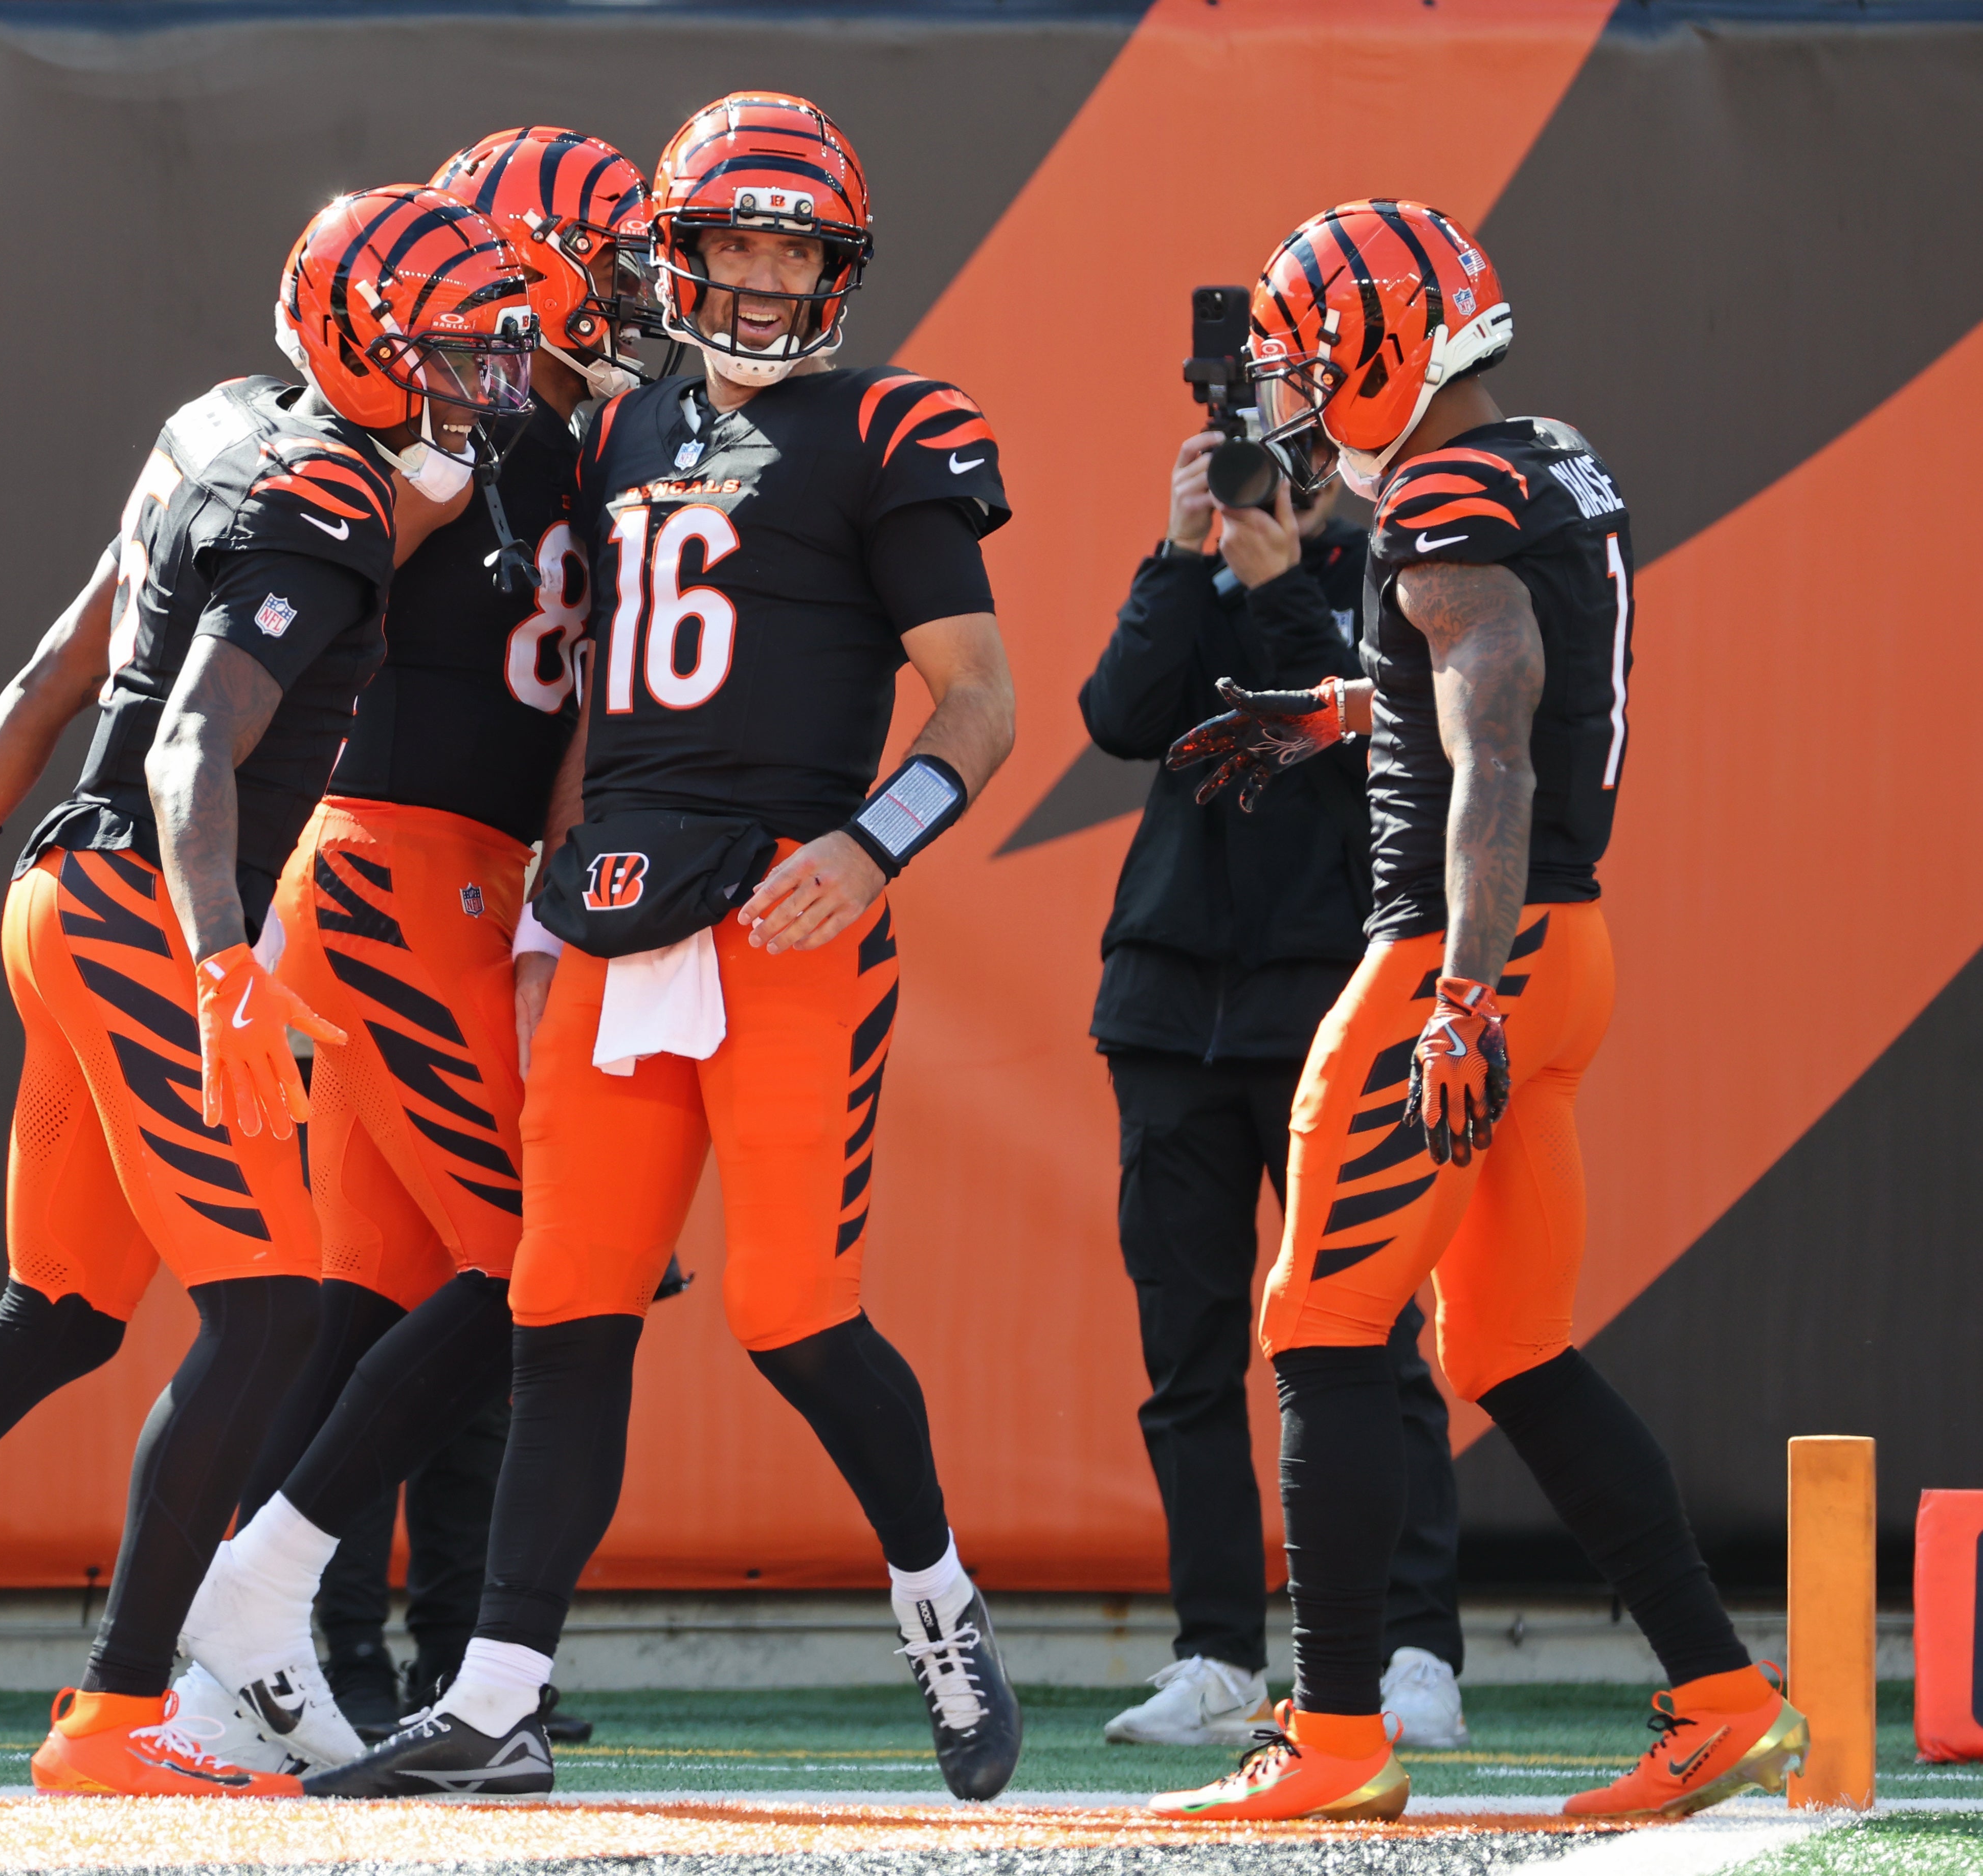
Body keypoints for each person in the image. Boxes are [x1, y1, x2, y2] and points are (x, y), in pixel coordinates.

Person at [0, 187, 532, 1799]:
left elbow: (62, 663)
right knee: (271, 1312)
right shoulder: (323, 498)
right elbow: (196, 745)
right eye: (453, 348)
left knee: (54, 1314)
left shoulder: (221, 424)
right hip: (154, 912)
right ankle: (121, 1709)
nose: (486, 378)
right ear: (362, 344)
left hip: (60, 892)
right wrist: (223, 962)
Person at [304, 93, 1022, 1803]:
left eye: (794, 250)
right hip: (614, 908)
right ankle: (494, 1694)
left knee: (791, 1316)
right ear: (677, 254)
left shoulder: (892, 426)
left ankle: (938, 1601)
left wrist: (872, 843)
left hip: (786, 901)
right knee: (562, 1306)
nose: (764, 279)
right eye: (735, 243)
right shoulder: (620, 430)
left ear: (837, 269)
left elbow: (981, 702)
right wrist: (547, 906)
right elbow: (596, 700)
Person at [1150, 200, 1804, 1822]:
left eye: (1310, 366)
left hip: (1463, 958)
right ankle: (1725, 1695)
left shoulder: (1443, 498)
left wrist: (1454, 991)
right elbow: (1489, 679)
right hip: (1565, 950)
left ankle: (1336, 1733)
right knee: (1512, 1344)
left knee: (1317, 1321)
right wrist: (1342, 708)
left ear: (1386, 351)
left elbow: (1496, 748)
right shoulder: (1549, 458)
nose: (1293, 402)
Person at [169, 124, 651, 1775]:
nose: (633, 294)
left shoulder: (577, 442)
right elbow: (303, 527)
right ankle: (261, 1599)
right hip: (389, 869)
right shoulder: (434, 438)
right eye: (609, 259)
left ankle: (231, 1674)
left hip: (472, 883)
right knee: (544, 1266)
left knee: (364, 1295)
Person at [1082, 435, 1469, 1750]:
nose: (1268, 483)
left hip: (1329, 1002)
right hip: (1166, 1010)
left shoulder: (1391, 571)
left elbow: (1386, 744)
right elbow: (1119, 716)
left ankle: (1411, 1650)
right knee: (1187, 1356)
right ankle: (1216, 1656)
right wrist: (1176, 551)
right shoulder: (1192, 573)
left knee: (1366, 1336)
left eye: (1294, 455)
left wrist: (1284, 585)